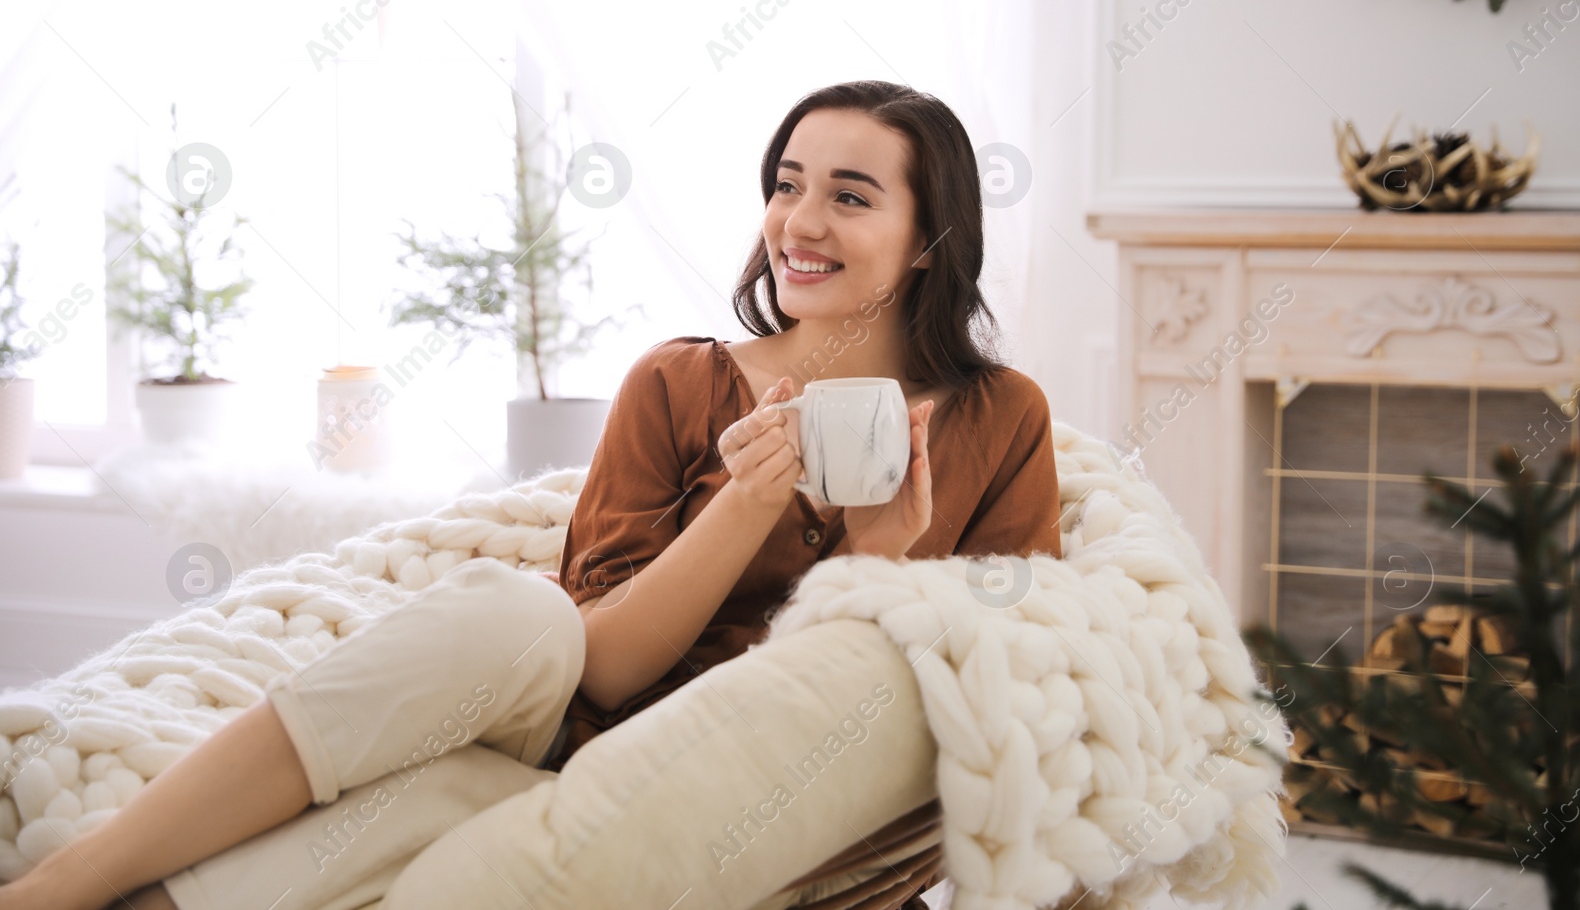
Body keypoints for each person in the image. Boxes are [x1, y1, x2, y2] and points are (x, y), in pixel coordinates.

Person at [0, 79, 1062, 910]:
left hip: (729, 796)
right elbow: (599, 663)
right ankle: (63, 885)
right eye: (785, 183)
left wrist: (869, 561)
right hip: (585, 739)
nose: (797, 220)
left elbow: (994, 684)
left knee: (422, 801)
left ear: (928, 237)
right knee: (518, 611)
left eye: (849, 194)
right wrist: (741, 507)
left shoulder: (1000, 418)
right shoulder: (680, 380)